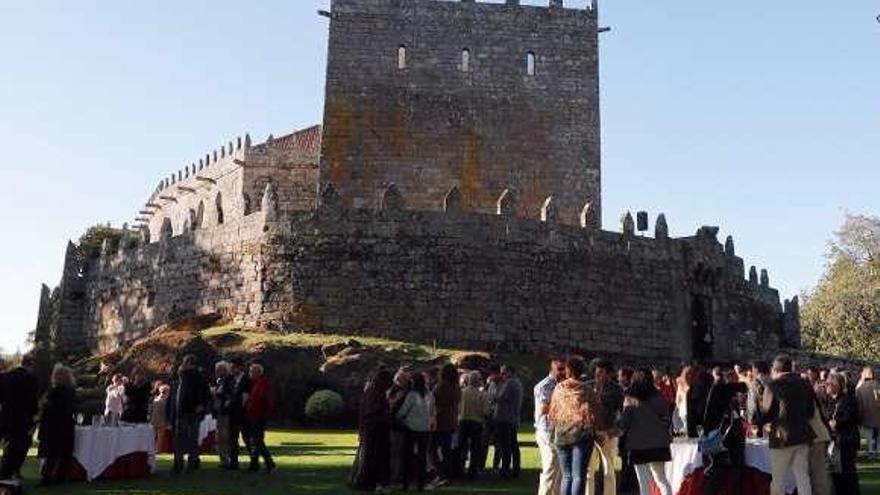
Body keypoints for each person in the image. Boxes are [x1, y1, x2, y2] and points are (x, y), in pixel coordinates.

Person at [761, 354, 815, 495]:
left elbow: (766, 413)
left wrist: (765, 423)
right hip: (802, 435)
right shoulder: (805, 384)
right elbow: (810, 411)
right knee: (802, 477)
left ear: (775, 369)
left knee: (778, 479)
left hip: (781, 437)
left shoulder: (773, 385)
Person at [548, 357, 599, 495]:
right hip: (580, 434)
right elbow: (595, 409)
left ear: (568, 371)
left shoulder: (558, 388)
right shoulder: (586, 389)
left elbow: (552, 412)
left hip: (562, 434)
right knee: (578, 476)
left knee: (567, 476)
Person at [618, 370, 672, 495]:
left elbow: (625, 422)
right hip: (658, 443)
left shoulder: (630, 398)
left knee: (644, 482)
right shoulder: (658, 395)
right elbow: (666, 416)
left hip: (637, 444)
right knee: (661, 480)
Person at [702, 369, 748, 495]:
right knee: (722, 470)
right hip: (724, 435)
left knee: (728, 471)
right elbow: (743, 386)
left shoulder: (723, 390)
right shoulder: (721, 389)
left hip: (727, 434)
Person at [351, 367, 394, 492]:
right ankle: (374, 482)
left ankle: (372, 482)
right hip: (376, 430)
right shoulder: (377, 394)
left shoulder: (371, 392)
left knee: (372, 457)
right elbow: (372, 411)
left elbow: (363, 413)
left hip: (373, 429)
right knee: (375, 457)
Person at [167, 354, 210, 474]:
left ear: (191, 364)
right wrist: (170, 416)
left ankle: (192, 463)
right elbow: (173, 398)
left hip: (191, 413)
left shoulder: (197, 377)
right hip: (179, 414)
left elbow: (205, 395)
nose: (182, 365)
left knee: (191, 439)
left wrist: (201, 406)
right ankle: (178, 463)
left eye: (185, 363)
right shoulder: (177, 379)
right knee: (179, 440)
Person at [586, 359, 623, 495]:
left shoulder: (617, 390)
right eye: (596, 373)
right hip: (589, 434)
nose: (597, 376)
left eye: (601, 373)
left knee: (609, 470)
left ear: (609, 374)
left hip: (608, 433)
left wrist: (613, 432)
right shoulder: (588, 387)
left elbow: (622, 413)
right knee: (589, 470)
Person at [0, 355, 40, 481]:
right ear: (31, 365)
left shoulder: (6, 376)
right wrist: (34, 415)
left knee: (10, 445)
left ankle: (8, 472)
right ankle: (11, 471)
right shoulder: (32, 379)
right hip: (22, 419)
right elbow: (33, 402)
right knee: (19, 446)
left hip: (6, 416)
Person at [37, 364, 76, 485]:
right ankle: (60, 477)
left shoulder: (53, 393)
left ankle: (47, 479)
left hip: (53, 426)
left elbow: (47, 409)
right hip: (67, 425)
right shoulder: (71, 392)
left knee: (51, 455)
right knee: (65, 454)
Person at [396, 372, 435, 491]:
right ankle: (421, 483)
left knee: (407, 455)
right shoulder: (430, 395)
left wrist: (399, 417)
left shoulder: (412, 395)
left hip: (411, 428)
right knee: (422, 456)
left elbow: (402, 412)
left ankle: (406, 483)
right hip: (425, 429)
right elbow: (432, 411)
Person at [825, 372, 861, 495]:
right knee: (837, 472)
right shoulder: (832, 400)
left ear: (835, 385)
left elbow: (851, 417)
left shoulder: (847, 399)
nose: (826, 386)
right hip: (837, 441)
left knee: (847, 472)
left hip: (846, 441)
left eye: (828, 384)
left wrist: (836, 422)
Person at [534, 357, 565, 495]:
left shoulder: (562, 384)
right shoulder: (544, 386)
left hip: (560, 431)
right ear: (552, 368)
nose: (563, 372)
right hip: (547, 431)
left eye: (564, 369)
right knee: (551, 466)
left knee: (559, 471)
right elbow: (543, 409)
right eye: (560, 369)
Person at [432, 363, 461, 481]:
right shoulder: (456, 387)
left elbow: (434, 401)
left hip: (440, 421)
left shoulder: (441, 387)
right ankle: (447, 473)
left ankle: (440, 473)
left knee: (433, 449)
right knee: (447, 450)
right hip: (451, 421)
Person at [493, 365, 523, 478]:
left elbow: (499, 398)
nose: (502, 375)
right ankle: (515, 469)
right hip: (512, 418)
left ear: (510, 372)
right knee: (513, 445)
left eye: (504, 373)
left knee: (505, 446)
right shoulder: (517, 383)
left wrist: (495, 387)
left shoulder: (510, 383)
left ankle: (504, 470)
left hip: (504, 418)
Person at [459, 370, 489, 479]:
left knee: (462, 447)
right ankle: (473, 471)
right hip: (477, 422)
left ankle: (460, 468)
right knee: (475, 448)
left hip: (463, 421)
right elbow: (485, 411)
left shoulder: (462, 393)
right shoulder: (483, 395)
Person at [247, 363, 275, 472]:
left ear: (258, 372)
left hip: (258, 416)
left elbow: (264, 400)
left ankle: (266, 462)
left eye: (251, 371)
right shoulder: (256, 384)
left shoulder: (263, 383)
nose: (250, 374)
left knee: (257, 440)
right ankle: (264, 462)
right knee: (257, 440)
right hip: (254, 415)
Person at [227, 358, 251, 470]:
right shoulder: (231, 380)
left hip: (243, 414)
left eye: (233, 368)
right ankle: (233, 462)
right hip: (232, 414)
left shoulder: (246, 380)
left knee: (247, 438)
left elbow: (245, 397)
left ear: (239, 367)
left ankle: (253, 460)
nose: (231, 370)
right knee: (232, 438)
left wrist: (241, 409)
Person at [388, 368, 411, 486]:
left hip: (402, 426)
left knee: (400, 452)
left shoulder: (408, 393)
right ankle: (394, 474)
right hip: (394, 425)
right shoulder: (393, 391)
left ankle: (398, 475)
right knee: (394, 452)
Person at [212, 361, 233, 468]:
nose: (216, 372)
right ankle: (223, 458)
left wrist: (217, 393)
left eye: (218, 370)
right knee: (220, 436)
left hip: (225, 413)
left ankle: (227, 458)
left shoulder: (229, 381)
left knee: (224, 436)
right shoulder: (219, 381)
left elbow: (228, 396)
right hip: (219, 412)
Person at [856, 366, 880, 457]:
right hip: (878, 414)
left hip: (867, 415)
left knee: (869, 435)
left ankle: (871, 451)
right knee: (878, 435)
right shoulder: (878, 385)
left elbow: (859, 403)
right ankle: (878, 450)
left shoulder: (860, 389)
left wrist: (860, 416)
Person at [151, 383, 172, 453]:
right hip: (162, 420)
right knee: (160, 437)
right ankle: (158, 450)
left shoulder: (156, 398)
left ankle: (152, 449)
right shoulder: (166, 400)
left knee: (153, 436)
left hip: (154, 419)